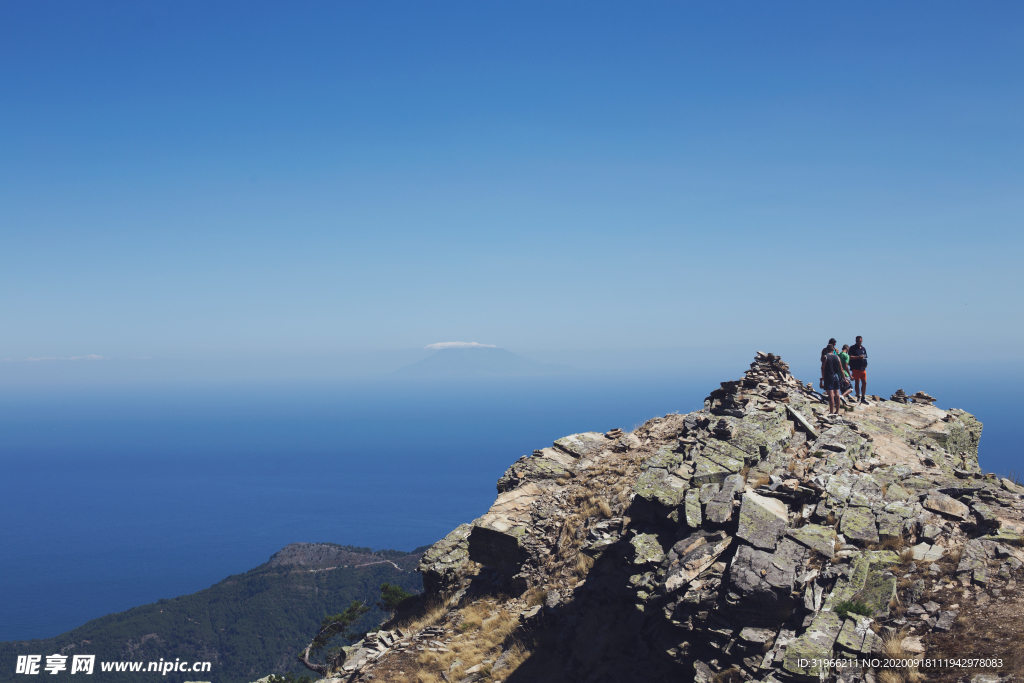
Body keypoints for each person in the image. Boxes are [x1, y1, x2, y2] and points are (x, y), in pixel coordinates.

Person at [820, 340, 844, 414]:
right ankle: (837, 411)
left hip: (828, 377)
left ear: (827, 349)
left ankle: (831, 412)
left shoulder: (825, 357)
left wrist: (823, 377)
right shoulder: (837, 357)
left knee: (830, 395)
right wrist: (844, 378)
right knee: (837, 394)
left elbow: (823, 368)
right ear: (833, 349)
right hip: (836, 377)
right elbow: (841, 368)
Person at [848, 336, 868, 403]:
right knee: (857, 382)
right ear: (855, 341)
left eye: (860, 341)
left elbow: (865, 357)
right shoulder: (852, 348)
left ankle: (863, 397)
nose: (859, 342)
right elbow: (850, 357)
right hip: (856, 368)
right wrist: (858, 357)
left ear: (862, 341)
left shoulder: (863, 348)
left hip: (863, 368)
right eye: (857, 341)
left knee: (864, 382)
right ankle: (858, 396)